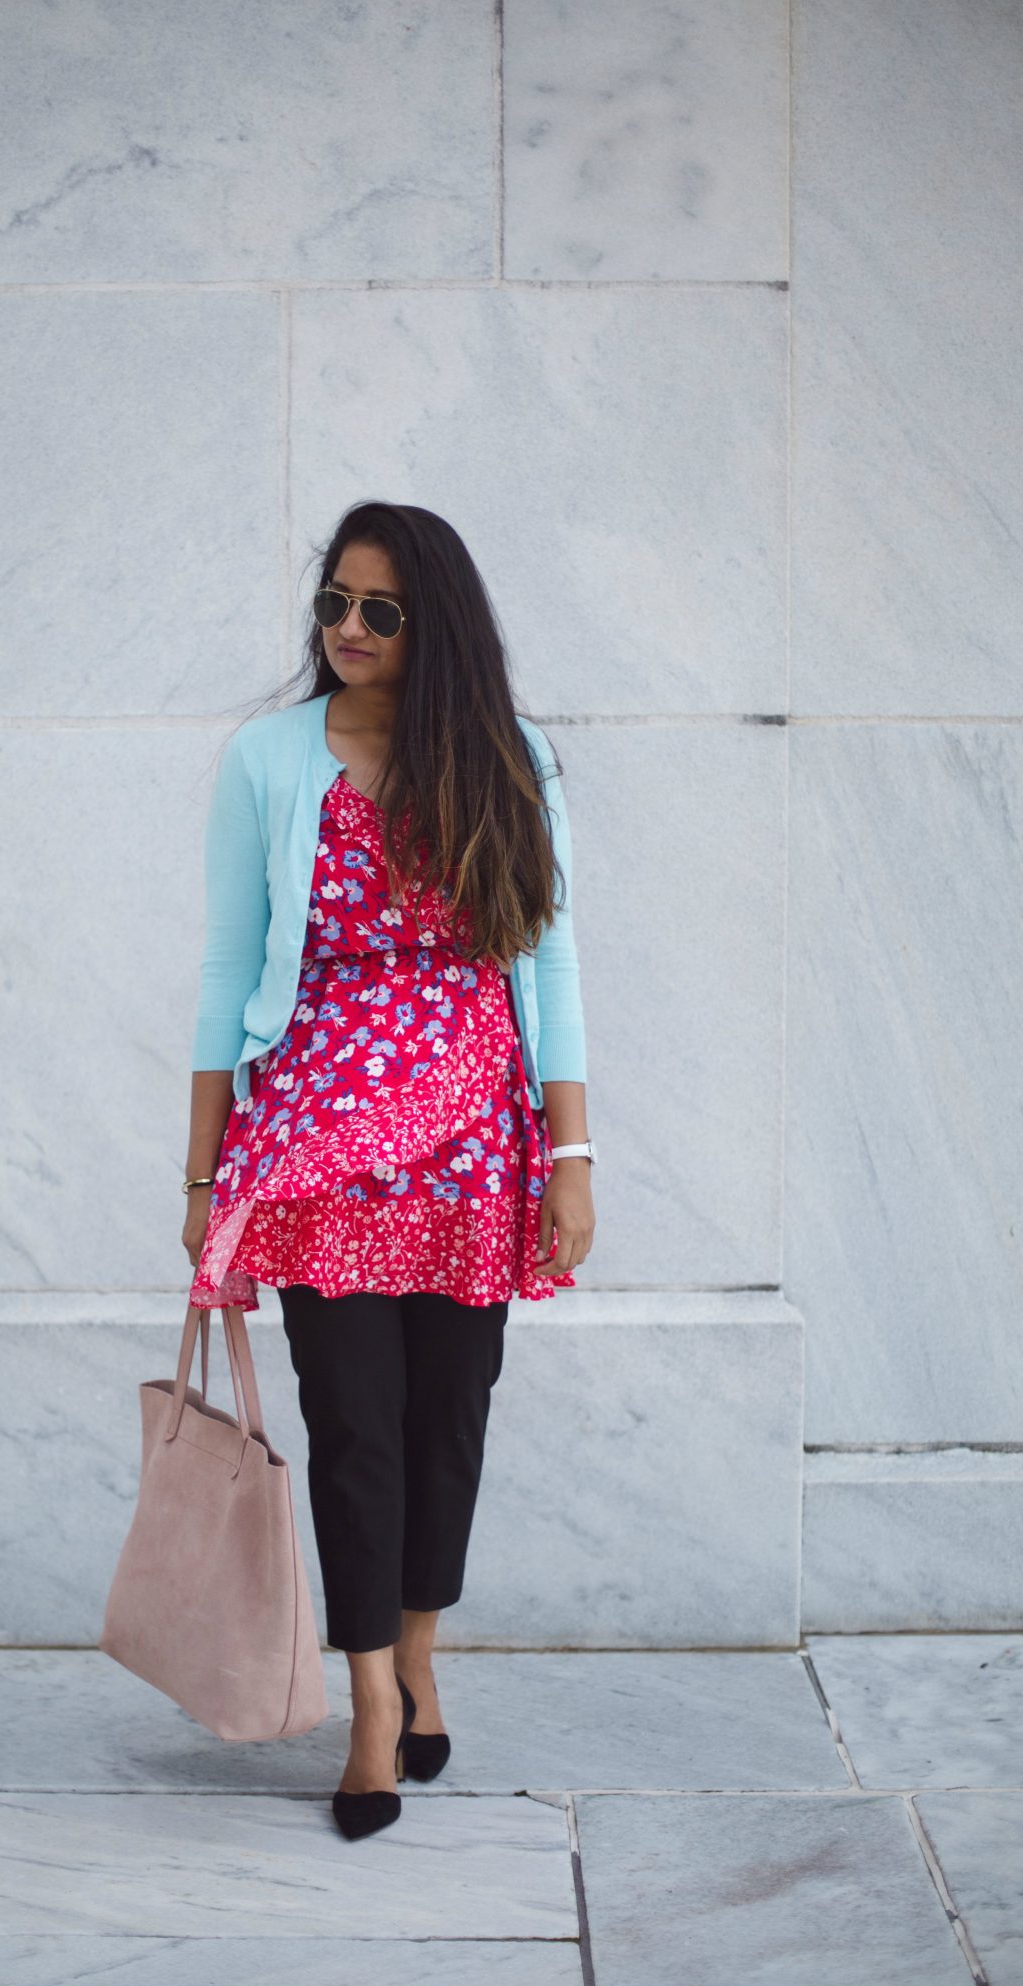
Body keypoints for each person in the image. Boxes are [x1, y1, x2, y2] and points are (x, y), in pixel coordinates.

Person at [182, 500, 594, 1839]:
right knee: (351, 1425)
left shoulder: (507, 758)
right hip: (314, 1151)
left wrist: (570, 1159)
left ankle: (419, 1649)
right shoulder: (267, 759)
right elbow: (224, 974)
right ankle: (368, 1699)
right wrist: (201, 1182)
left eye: (379, 611)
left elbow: (552, 967)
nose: (346, 630)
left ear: (436, 628)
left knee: (446, 1420)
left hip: (478, 1147)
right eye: (332, 604)